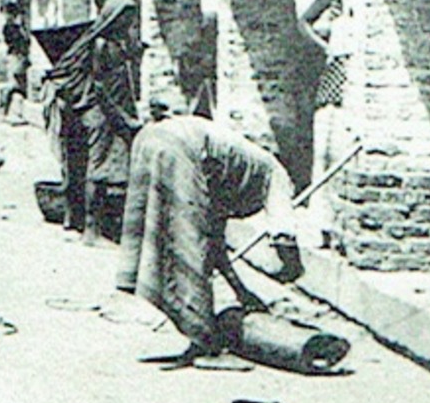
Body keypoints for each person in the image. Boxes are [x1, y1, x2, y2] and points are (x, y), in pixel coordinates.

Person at [116, 114, 303, 362]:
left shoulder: (231, 169)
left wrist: (241, 291)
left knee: (181, 239)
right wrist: (293, 269)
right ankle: (203, 342)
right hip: (180, 147)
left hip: (150, 138)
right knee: (191, 247)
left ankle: (194, 329)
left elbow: (216, 245)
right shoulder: (276, 174)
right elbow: (283, 234)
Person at [48, 0, 143, 243]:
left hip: (108, 112)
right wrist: (124, 119)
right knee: (98, 170)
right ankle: (91, 230)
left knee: (101, 168)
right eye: (125, 18)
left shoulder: (115, 43)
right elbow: (102, 88)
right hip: (100, 114)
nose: (129, 24)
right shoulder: (102, 45)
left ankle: (92, 222)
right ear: (114, 17)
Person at [297, 0, 348, 250]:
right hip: (336, 74)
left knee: (345, 152)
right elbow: (304, 21)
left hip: (364, 80)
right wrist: (326, 47)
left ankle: (343, 227)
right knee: (325, 150)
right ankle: (322, 226)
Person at [0, 2, 31, 125]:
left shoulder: (19, 27)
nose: (10, 16)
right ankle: (6, 111)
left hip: (21, 56)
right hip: (15, 56)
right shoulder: (8, 28)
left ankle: (16, 113)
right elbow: (12, 41)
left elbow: (27, 41)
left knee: (21, 86)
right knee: (14, 85)